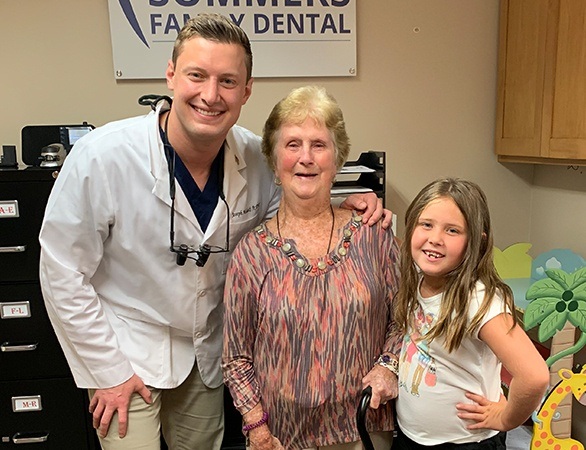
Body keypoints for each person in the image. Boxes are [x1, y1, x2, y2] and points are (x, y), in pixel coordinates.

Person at [38, 14, 388, 450]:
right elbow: (61, 271)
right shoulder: (101, 158)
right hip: (125, 348)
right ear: (170, 75)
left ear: (246, 90)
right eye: (196, 76)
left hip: (204, 353)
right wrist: (107, 372)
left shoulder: (255, 157)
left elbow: (295, 216)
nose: (210, 95)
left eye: (227, 81)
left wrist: (346, 207)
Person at [222, 85, 401, 450]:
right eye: (292, 145)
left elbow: (407, 319)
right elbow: (235, 357)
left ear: (337, 160)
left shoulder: (374, 236)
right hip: (278, 436)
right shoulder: (252, 253)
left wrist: (388, 366)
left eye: (319, 145)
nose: (306, 157)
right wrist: (256, 426)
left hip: (364, 428)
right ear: (274, 160)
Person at [391, 178, 550, 449]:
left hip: (464, 442)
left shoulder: (478, 301)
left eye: (452, 231)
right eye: (426, 224)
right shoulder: (420, 274)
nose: (435, 239)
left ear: (476, 242)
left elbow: (535, 376)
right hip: (412, 437)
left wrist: (506, 418)